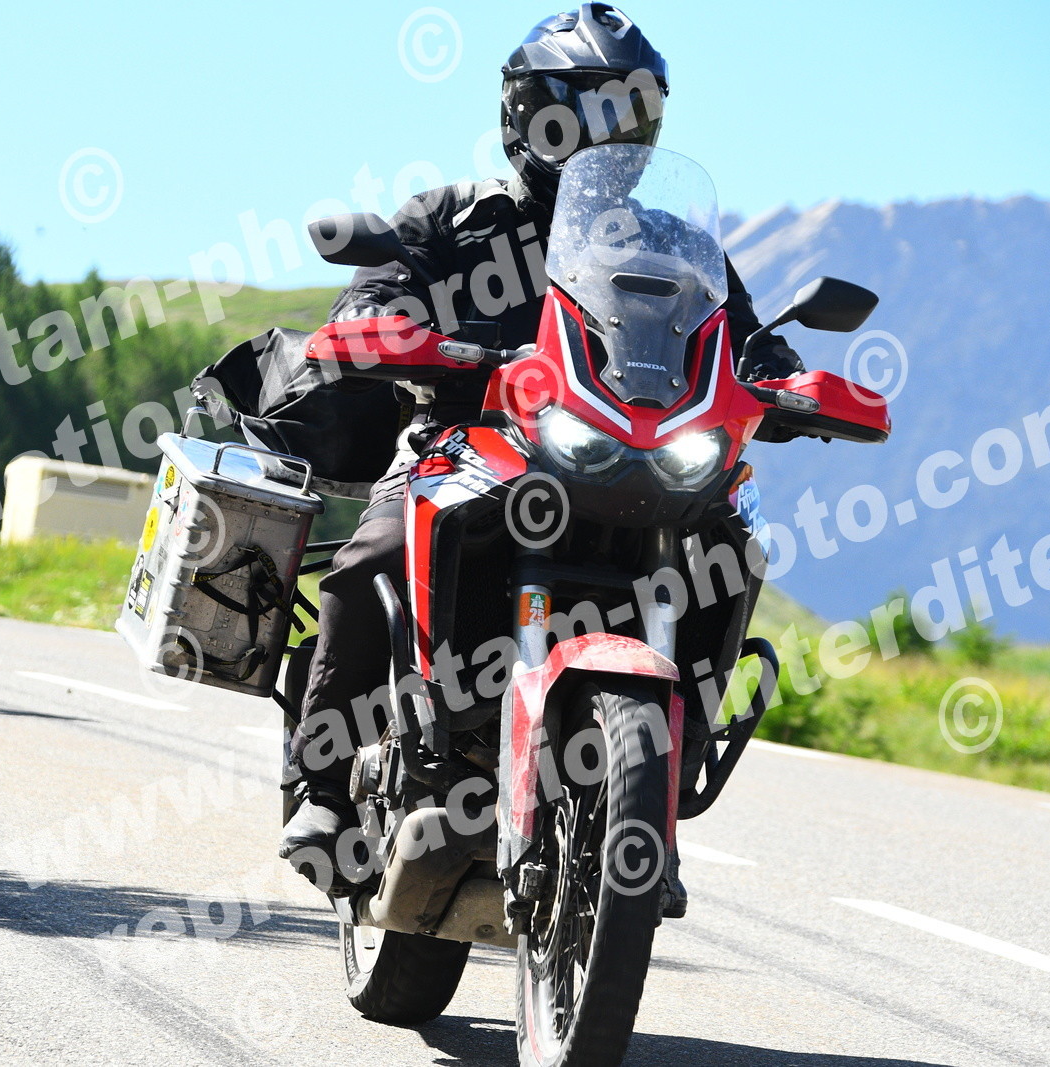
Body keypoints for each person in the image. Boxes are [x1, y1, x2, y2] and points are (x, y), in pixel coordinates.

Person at [277, 4, 804, 918]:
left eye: (628, 117)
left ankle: (658, 783)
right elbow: (379, 287)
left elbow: (744, 339)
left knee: (728, 541)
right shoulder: (452, 216)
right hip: (466, 443)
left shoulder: (674, 245)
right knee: (374, 555)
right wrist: (381, 322)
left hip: (627, 457)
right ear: (529, 112)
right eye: (588, 112)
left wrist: (786, 378)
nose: (608, 138)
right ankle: (319, 783)